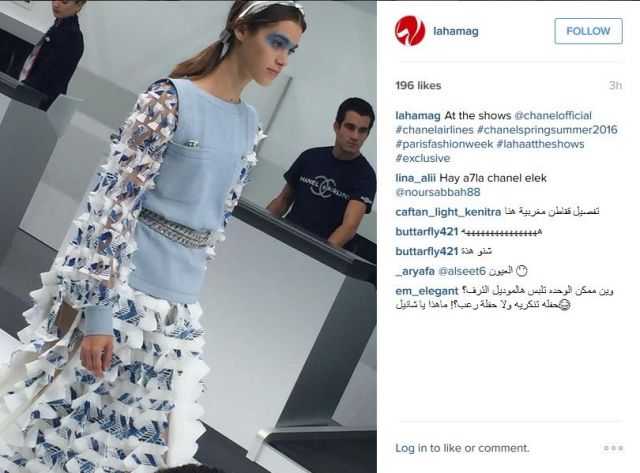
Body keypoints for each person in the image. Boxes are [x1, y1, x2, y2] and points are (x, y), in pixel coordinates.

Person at [0, 1, 305, 471]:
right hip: (119, 296)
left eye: (291, 50)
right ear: (242, 31)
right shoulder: (168, 100)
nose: (283, 58)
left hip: (175, 316)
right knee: (61, 437)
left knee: (130, 453)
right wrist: (98, 313)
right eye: (277, 42)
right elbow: (111, 207)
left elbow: (216, 222)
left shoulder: (250, 125)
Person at [266, 98, 376, 250]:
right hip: (285, 239)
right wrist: (257, 228)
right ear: (336, 126)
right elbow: (283, 201)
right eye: (350, 127)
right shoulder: (310, 157)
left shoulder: (365, 176)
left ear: (367, 134)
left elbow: (349, 226)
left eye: (362, 130)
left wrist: (318, 254)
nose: (355, 136)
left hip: (320, 253)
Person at [19, 0, 86, 109]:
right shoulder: (58, 27)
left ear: (78, 5)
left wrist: (18, 88)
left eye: (64, 2)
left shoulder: (71, 37)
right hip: (32, 96)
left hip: (38, 103)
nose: (56, 4)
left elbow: (46, 77)